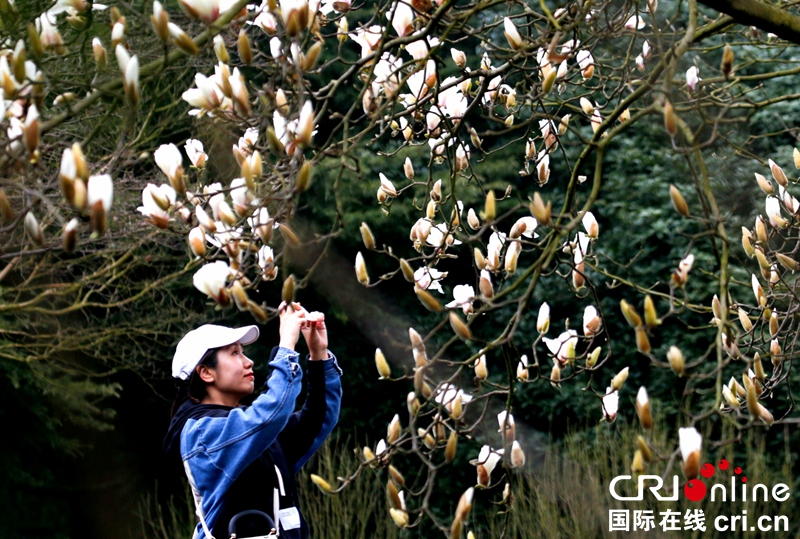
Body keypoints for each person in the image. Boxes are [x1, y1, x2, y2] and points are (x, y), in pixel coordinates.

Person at [164, 302, 342, 539]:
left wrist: (318, 354)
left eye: (243, 352)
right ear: (206, 372)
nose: (248, 362)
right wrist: (286, 345)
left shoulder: (252, 431)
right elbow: (271, 412)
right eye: (235, 353)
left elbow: (316, 420)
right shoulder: (201, 432)